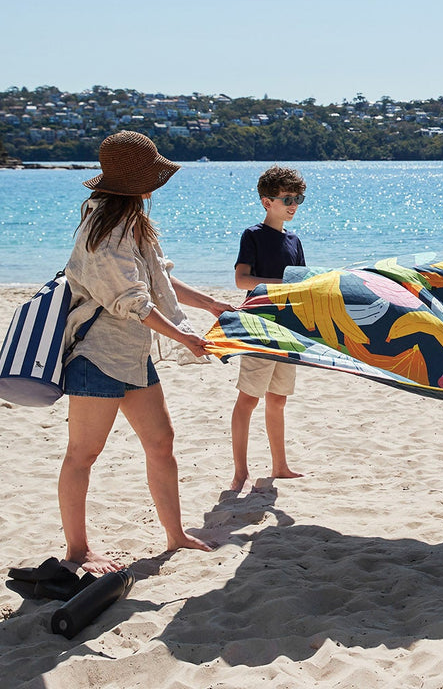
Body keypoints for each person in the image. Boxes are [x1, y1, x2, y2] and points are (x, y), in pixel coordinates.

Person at [61, 132, 234, 574]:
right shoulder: (101, 232)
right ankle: (77, 551)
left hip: (133, 356)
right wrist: (183, 336)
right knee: (83, 454)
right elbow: (134, 302)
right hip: (97, 357)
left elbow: (159, 281)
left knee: (161, 442)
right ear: (136, 182)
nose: (156, 185)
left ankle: (176, 535)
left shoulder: (134, 222)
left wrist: (211, 304)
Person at [230, 165, 307, 492]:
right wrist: (281, 284)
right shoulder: (253, 235)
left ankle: (280, 466)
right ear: (267, 202)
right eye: (287, 199)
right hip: (259, 324)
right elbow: (241, 280)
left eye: (298, 198)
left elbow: (303, 285)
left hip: (287, 328)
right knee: (248, 399)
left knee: (278, 400)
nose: (294, 205)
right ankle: (240, 473)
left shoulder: (294, 240)